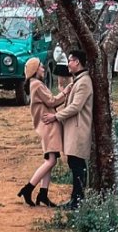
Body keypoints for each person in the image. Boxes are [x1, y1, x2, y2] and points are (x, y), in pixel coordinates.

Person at [43, 48, 93, 210]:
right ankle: (75, 199)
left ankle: (77, 200)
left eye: (70, 60)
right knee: (74, 163)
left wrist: (55, 116)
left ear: (77, 62)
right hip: (74, 127)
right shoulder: (78, 80)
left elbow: (75, 107)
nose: (68, 63)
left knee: (78, 165)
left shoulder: (84, 82)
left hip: (78, 128)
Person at [17, 57, 69, 207]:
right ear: (34, 70)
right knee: (51, 161)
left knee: (50, 160)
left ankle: (43, 194)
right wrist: (65, 92)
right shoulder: (37, 85)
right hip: (48, 127)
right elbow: (52, 101)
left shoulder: (34, 84)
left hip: (46, 127)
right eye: (41, 67)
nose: (43, 69)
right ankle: (29, 188)